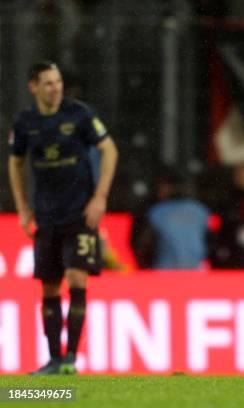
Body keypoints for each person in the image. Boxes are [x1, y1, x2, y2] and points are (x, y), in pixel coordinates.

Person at [8, 62, 118, 375]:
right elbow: (15, 163)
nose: (55, 88)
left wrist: (100, 197)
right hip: (46, 216)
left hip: (81, 213)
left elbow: (109, 150)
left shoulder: (79, 114)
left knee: (77, 278)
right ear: (34, 87)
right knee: (49, 287)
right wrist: (23, 207)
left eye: (57, 82)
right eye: (48, 83)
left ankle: (71, 358)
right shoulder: (25, 122)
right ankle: (54, 359)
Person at [132, 167, 210, 270]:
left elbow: (143, 246)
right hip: (196, 272)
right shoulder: (200, 211)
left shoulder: (157, 212)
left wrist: (146, 269)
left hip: (164, 272)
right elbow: (210, 244)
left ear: (167, 187)